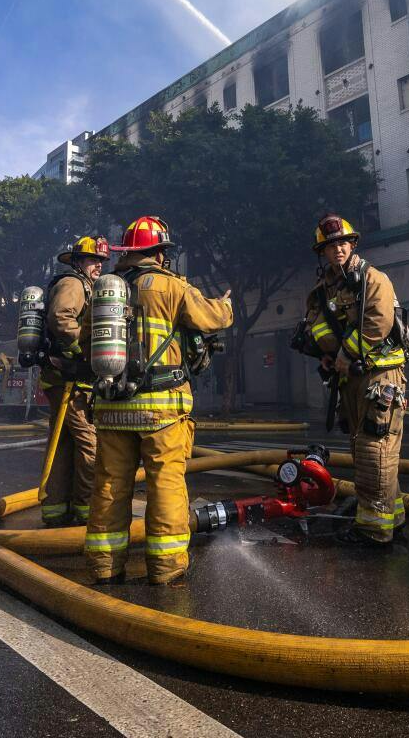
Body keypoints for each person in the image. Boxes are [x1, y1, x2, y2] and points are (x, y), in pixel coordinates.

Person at [84, 216, 232, 586]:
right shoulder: (170, 286)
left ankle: (105, 566)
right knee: (164, 483)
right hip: (160, 408)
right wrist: (226, 305)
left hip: (112, 408)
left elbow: (87, 340)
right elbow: (211, 318)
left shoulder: (105, 292)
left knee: (109, 486)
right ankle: (166, 569)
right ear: (159, 253)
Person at [301, 213, 409, 547]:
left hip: (381, 378)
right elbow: (315, 325)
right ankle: (396, 516)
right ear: (323, 252)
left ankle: (375, 531)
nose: (338, 250)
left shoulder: (373, 279)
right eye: (331, 246)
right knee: (364, 449)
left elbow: (377, 321)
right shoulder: (323, 291)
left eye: (343, 243)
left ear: (353, 244)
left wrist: (345, 354)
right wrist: (327, 353)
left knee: (374, 449)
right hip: (349, 379)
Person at [38, 236, 107, 527]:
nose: (99, 267)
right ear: (78, 261)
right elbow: (61, 317)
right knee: (89, 442)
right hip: (69, 379)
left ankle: (57, 509)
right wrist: (85, 350)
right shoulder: (73, 284)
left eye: (101, 262)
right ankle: (87, 508)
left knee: (64, 443)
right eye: (93, 260)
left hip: (66, 378)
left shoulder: (85, 285)